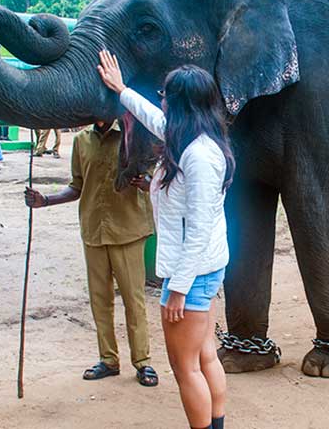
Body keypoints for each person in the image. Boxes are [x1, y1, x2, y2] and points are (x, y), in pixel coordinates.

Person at [97, 50, 233, 429]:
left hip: (191, 274)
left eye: (165, 95)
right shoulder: (190, 138)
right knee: (205, 356)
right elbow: (152, 118)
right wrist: (121, 89)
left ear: (181, 104)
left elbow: (200, 229)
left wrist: (178, 289)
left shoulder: (199, 157)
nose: (161, 100)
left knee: (185, 367)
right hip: (204, 269)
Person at [23, 119, 160, 388]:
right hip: (94, 230)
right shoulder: (81, 140)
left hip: (128, 230)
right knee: (100, 301)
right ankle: (108, 360)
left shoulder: (135, 136)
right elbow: (77, 186)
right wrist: (46, 201)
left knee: (134, 301)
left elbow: (156, 181)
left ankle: (142, 361)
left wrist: (145, 182)